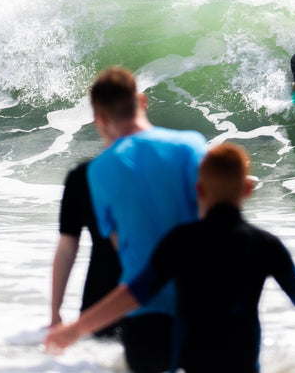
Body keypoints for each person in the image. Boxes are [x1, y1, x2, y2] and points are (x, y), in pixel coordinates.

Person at [45, 142, 295, 372]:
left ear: (198, 190)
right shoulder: (265, 244)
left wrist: (75, 329)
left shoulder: (180, 241)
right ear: (248, 189)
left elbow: (134, 294)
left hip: (193, 360)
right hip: (242, 361)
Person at [64, 66, 207, 373]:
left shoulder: (100, 171)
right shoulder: (191, 146)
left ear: (100, 119)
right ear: (142, 101)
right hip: (202, 311)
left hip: (147, 322)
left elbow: (126, 256)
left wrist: (74, 329)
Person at [50, 159, 123, 338]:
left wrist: (55, 314)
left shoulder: (87, 174)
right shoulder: (82, 176)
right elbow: (67, 246)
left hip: (102, 301)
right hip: (106, 298)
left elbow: (67, 247)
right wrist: (55, 314)